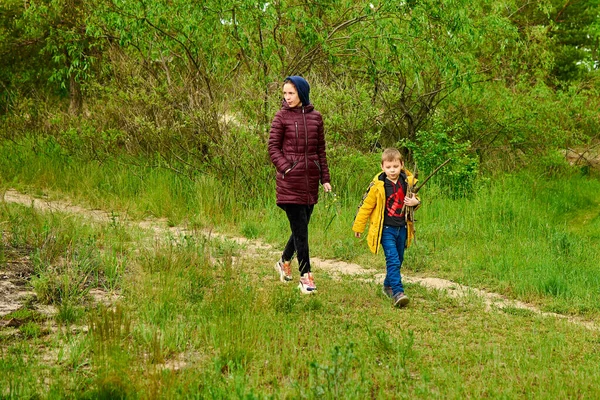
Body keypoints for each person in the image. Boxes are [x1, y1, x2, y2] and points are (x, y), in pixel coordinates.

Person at [268, 76, 332, 294]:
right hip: (290, 183)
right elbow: (273, 148)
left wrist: (325, 178)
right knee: (301, 232)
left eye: (291, 93)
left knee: (300, 228)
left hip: (310, 181)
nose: (287, 98)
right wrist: (287, 168)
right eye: (284, 94)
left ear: (302, 93)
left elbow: (320, 150)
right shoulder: (281, 117)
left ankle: (284, 260)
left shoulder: (316, 118)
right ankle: (306, 277)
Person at [352, 148, 421, 307]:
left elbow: (416, 200)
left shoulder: (407, 181)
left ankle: (387, 285)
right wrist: (359, 226)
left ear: (401, 165)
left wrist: (415, 202)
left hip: (402, 228)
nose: (392, 170)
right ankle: (398, 292)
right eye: (389, 167)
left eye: (395, 166)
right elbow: (366, 207)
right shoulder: (378, 186)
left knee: (399, 259)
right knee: (393, 259)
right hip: (385, 230)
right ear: (382, 167)